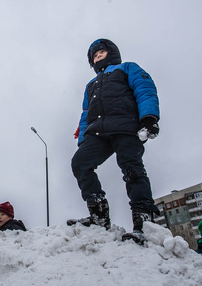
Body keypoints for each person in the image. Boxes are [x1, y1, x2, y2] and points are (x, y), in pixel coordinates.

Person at [68, 38, 160, 244]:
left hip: (126, 127)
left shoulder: (127, 68)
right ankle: (99, 216)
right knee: (80, 163)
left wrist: (149, 118)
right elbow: (85, 114)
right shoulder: (91, 85)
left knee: (131, 167)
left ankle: (144, 221)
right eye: (95, 56)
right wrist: (83, 139)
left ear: (112, 53)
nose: (98, 57)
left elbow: (144, 90)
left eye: (101, 53)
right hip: (98, 132)